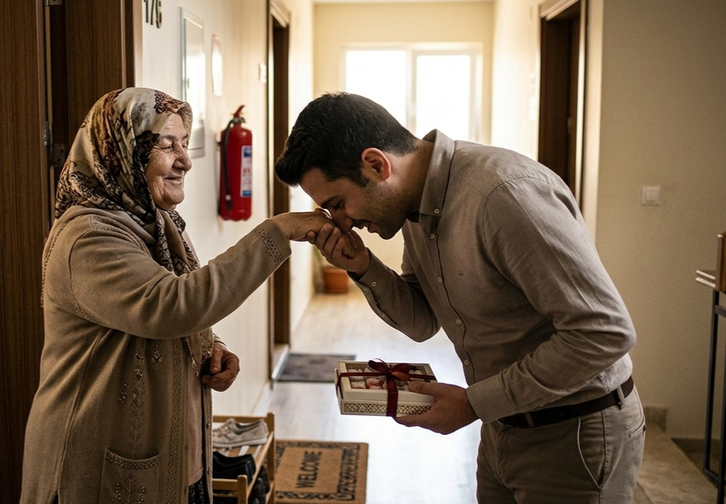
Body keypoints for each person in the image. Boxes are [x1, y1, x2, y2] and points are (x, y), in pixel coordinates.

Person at [275, 92, 645, 503]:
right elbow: (421, 322)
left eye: (338, 204)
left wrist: (473, 403)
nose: (344, 223)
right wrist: (363, 265)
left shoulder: (505, 195)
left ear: (377, 165)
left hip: (574, 434)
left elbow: (603, 332)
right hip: (503, 425)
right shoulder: (414, 206)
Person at [21, 87, 330, 504]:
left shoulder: (158, 222)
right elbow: (172, 306)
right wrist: (278, 232)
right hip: (96, 469)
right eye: (167, 145)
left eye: (184, 144)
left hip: (176, 457)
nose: (185, 160)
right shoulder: (89, 236)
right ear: (120, 151)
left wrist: (213, 347)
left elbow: (178, 308)